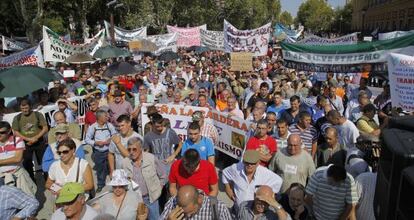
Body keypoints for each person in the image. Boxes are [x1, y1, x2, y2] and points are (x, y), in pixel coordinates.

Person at [122, 137, 167, 220]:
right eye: (129, 150)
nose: (131, 152)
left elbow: (163, 175)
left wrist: (159, 189)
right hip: (135, 200)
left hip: (151, 198)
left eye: (134, 149)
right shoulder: (125, 162)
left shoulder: (151, 158)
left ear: (141, 148)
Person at [12, 98, 48, 180]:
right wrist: (28, 139)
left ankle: (48, 180)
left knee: (44, 161)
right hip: (26, 144)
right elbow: (15, 132)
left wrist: (36, 137)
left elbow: (45, 128)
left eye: (26, 108)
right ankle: (32, 181)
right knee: (27, 163)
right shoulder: (17, 118)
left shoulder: (37, 115)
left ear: (30, 107)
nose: (24, 110)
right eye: (22, 108)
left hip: (39, 142)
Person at [0, 121, 37, 195]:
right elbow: (15, 159)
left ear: (9, 130)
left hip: (18, 175)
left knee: (28, 198)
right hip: (2, 177)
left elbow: (17, 159)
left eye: (2, 132)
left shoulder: (17, 140)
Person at [85, 109, 117, 192]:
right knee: (100, 169)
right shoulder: (93, 127)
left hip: (110, 151)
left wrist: (110, 139)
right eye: (105, 116)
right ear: (99, 118)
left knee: (113, 167)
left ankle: (115, 183)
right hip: (98, 152)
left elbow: (114, 134)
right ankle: (100, 184)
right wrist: (96, 143)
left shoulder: (109, 125)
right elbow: (87, 139)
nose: (107, 117)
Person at [160, 185, 232, 220]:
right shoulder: (173, 202)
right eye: (182, 212)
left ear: (199, 200)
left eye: (190, 212)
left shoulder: (218, 208)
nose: (187, 216)